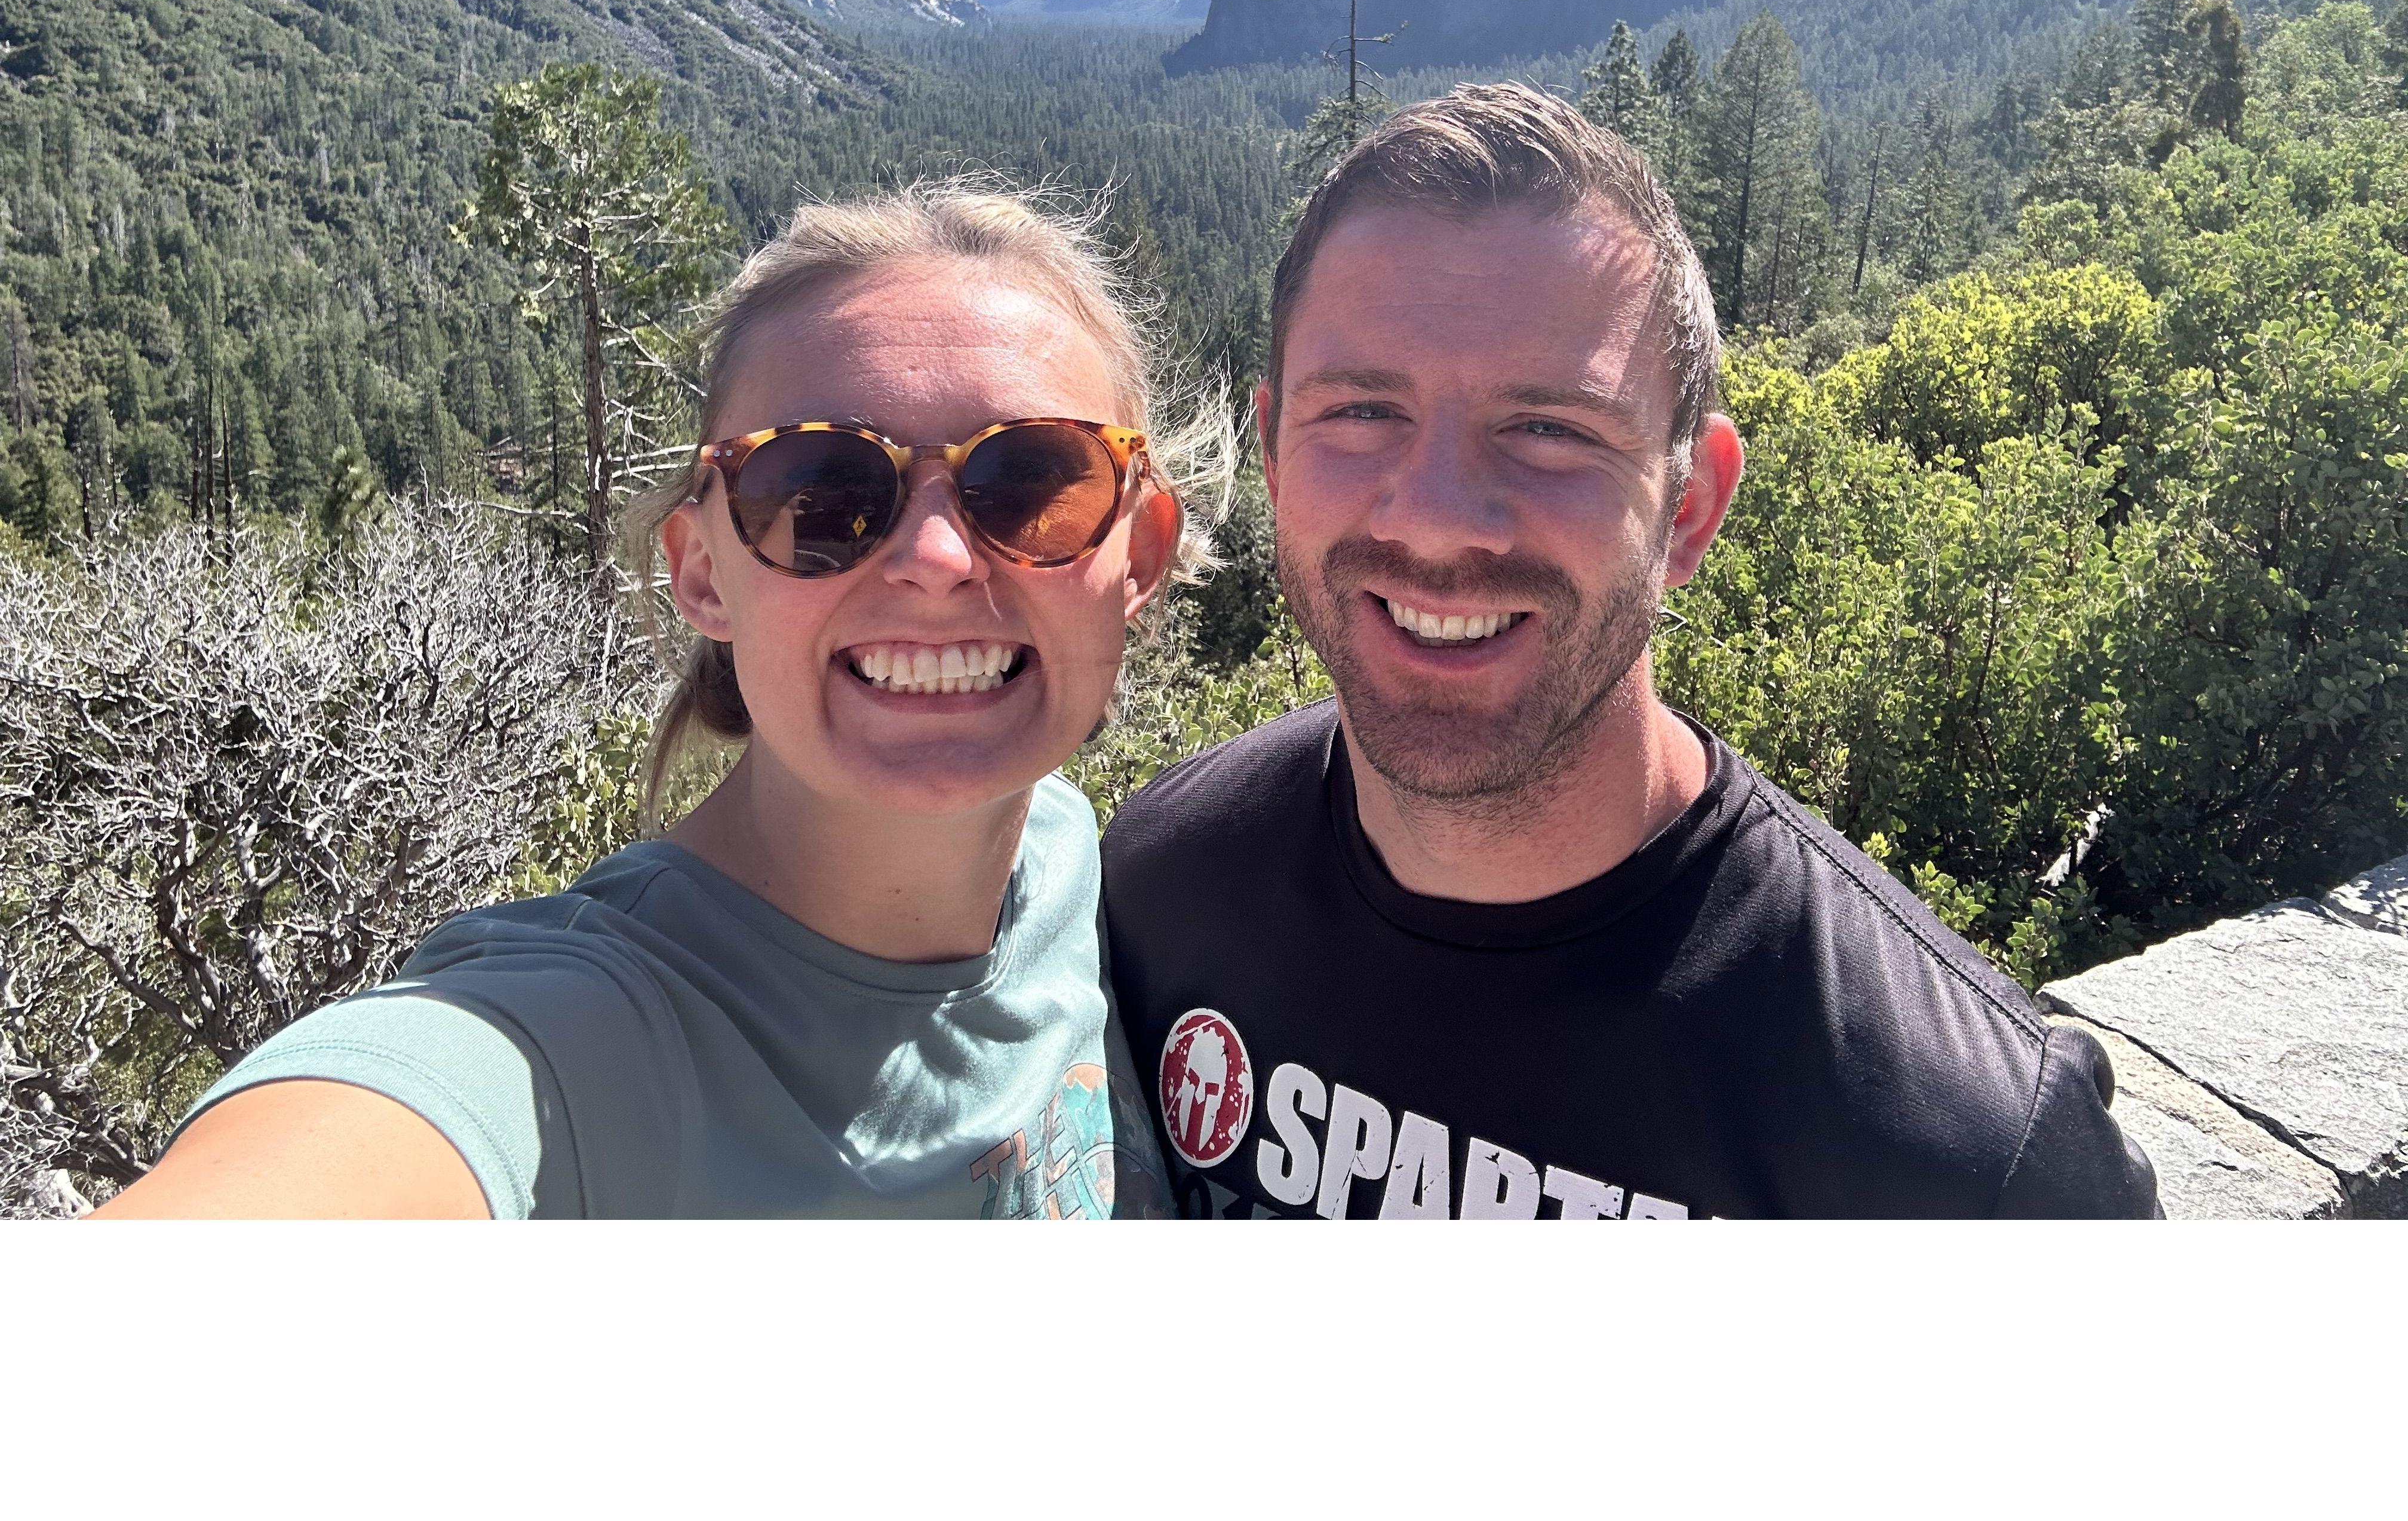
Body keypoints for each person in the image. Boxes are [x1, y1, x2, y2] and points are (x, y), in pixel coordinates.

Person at [1102, 84, 2161, 1219]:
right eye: (1361, 412)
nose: (1437, 518)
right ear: (1272, 454)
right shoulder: (1161, 890)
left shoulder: (1967, 1150)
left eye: (1549, 429)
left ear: (1690, 507)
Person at [98, 183, 1211, 1219]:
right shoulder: (571, 1046)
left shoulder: (1070, 855)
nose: (935, 558)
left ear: (1143, 554)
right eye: (821, 493)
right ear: (703, 572)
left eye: (1032, 483)